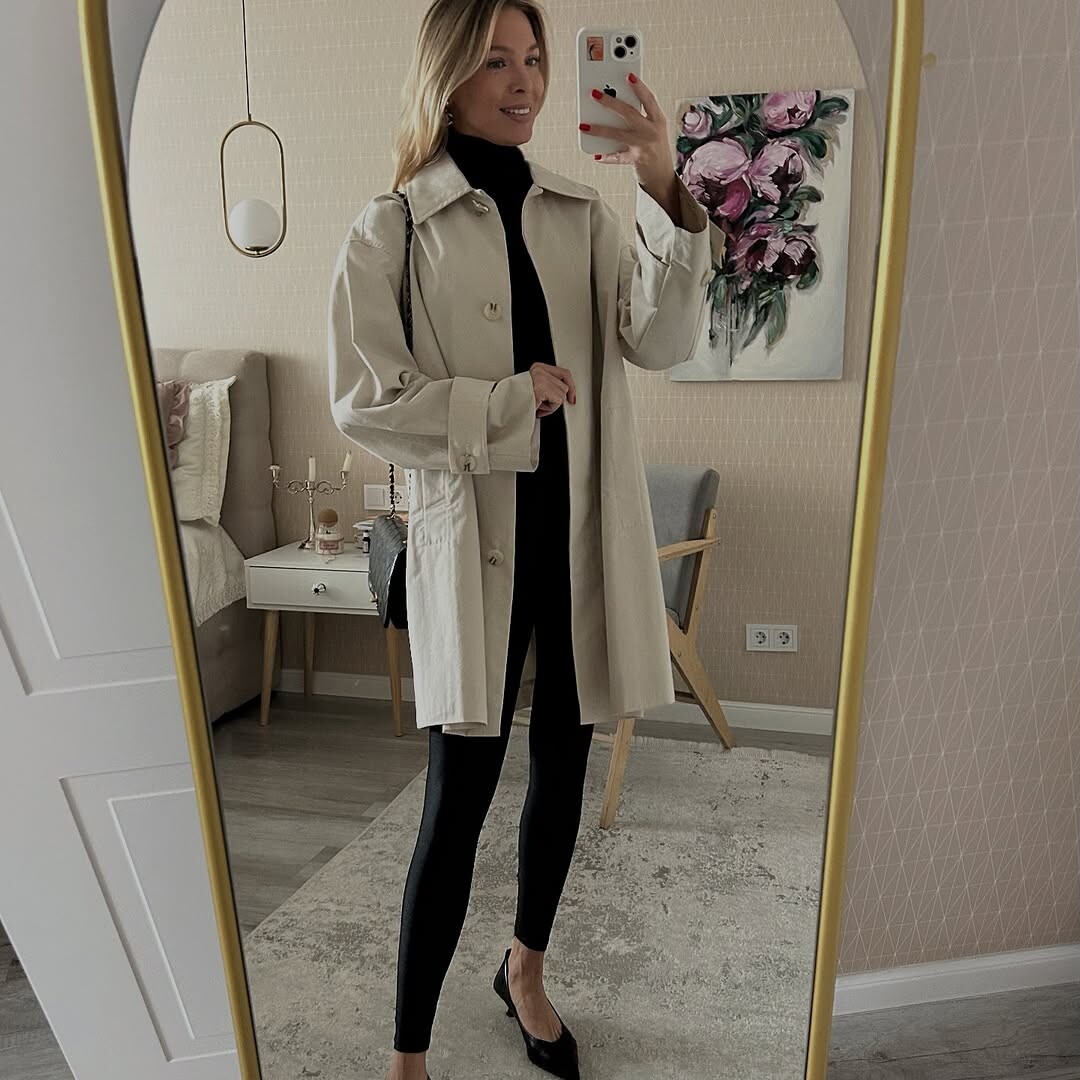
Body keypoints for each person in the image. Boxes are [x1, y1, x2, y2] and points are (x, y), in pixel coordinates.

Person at [326, 2, 724, 1077]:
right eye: (496, 60)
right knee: (456, 799)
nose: (526, 81)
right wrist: (504, 403)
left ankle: (526, 970)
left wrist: (662, 186)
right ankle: (408, 1055)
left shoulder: (583, 214)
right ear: (446, 76)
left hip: (578, 538)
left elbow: (663, 338)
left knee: (563, 769)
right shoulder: (391, 228)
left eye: (536, 60)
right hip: (474, 548)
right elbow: (364, 400)